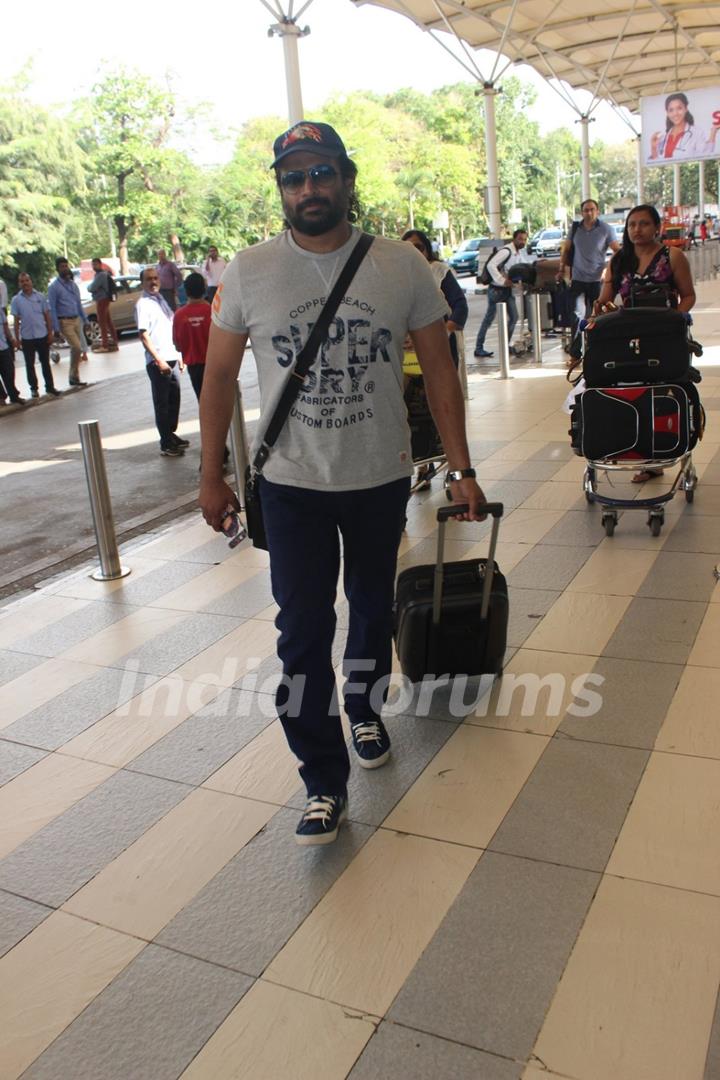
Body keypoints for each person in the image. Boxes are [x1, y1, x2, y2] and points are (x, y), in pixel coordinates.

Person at [199, 120, 485, 846]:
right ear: (281, 191)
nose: (309, 189)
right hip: (290, 484)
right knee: (301, 630)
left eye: (321, 173)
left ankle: (362, 704)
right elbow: (221, 376)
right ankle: (321, 779)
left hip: (378, 475)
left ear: (347, 180)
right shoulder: (251, 270)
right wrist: (211, 475)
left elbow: (441, 372)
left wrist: (462, 468)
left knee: (369, 606)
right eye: (294, 178)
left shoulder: (399, 266)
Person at [593, 203, 696, 483]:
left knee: (661, 391)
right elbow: (605, 299)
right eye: (632, 225)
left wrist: (675, 321)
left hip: (664, 336)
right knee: (634, 391)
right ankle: (638, 450)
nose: (637, 230)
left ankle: (659, 454)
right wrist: (599, 310)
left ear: (656, 227)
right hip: (630, 338)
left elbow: (688, 295)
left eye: (644, 224)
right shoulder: (619, 261)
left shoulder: (672, 256)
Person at [402, 228, 468, 488]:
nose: (415, 252)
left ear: (427, 249)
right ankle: (422, 465)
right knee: (411, 411)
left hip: (437, 353)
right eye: (408, 247)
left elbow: (459, 306)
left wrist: (440, 333)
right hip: (406, 356)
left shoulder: (440, 271)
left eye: (419, 246)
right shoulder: (395, 273)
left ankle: (452, 466)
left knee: (439, 406)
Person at [136, 267, 188, 457]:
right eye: (149, 279)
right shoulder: (143, 304)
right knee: (162, 404)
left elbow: (170, 328)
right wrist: (158, 360)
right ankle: (166, 442)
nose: (153, 282)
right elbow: (144, 335)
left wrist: (180, 355)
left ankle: (170, 434)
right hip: (159, 361)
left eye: (156, 278)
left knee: (174, 399)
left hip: (172, 356)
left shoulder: (160, 300)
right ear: (142, 282)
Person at [557, 200, 619, 331]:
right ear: (582, 213)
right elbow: (566, 250)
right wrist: (561, 269)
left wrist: (608, 270)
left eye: (592, 209)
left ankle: (594, 341)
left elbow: (617, 252)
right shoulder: (575, 229)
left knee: (598, 314)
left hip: (596, 280)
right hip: (577, 278)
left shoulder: (606, 229)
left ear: (598, 211)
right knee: (575, 313)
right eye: (586, 210)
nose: (589, 213)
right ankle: (577, 343)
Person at [474, 228, 534, 358]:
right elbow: (491, 265)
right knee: (489, 319)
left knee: (514, 317)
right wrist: (501, 280)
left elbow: (523, 266)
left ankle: (505, 345)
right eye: (520, 239)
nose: (522, 242)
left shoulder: (518, 253)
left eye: (524, 239)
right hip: (496, 290)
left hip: (506, 290)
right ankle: (479, 347)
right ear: (514, 239)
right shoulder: (507, 251)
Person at [11, 273, 59, 398]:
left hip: (41, 334)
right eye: (22, 281)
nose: (25, 283)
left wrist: (50, 333)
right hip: (27, 337)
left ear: (31, 281)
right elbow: (16, 321)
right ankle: (34, 389)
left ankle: (50, 387)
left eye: (27, 280)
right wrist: (17, 338)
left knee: (45, 363)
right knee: (29, 365)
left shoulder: (40, 297)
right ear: (19, 284)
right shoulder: (16, 300)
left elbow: (47, 316)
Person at [47, 258, 88, 387]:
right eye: (62, 267)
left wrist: (85, 320)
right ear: (58, 269)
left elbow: (78, 303)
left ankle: (74, 376)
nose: (65, 268)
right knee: (76, 347)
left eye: (66, 266)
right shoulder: (54, 287)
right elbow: (52, 308)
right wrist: (56, 327)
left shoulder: (73, 285)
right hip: (64, 321)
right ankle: (73, 376)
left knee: (79, 349)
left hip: (76, 319)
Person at [649, 93, 720, 160]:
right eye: (671, 110)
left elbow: (705, 154)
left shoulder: (696, 132)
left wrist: (713, 133)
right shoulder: (662, 138)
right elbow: (657, 163)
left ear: (686, 109)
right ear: (667, 113)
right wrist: (653, 148)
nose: (675, 113)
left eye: (679, 108)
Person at [87, 258, 119, 352]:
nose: (94, 266)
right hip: (103, 299)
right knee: (108, 321)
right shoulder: (100, 274)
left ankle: (104, 345)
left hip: (102, 299)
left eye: (96, 264)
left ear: (100, 264)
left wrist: (89, 287)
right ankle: (114, 342)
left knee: (102, 322)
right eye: (93, 264)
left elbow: (91, 288)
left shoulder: (101, 275)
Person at [0, 308, 24, 405]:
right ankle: (1, 397)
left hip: (3, 345)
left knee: (9, 371)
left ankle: (13, 395)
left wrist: (11, 338)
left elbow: (5, 326)